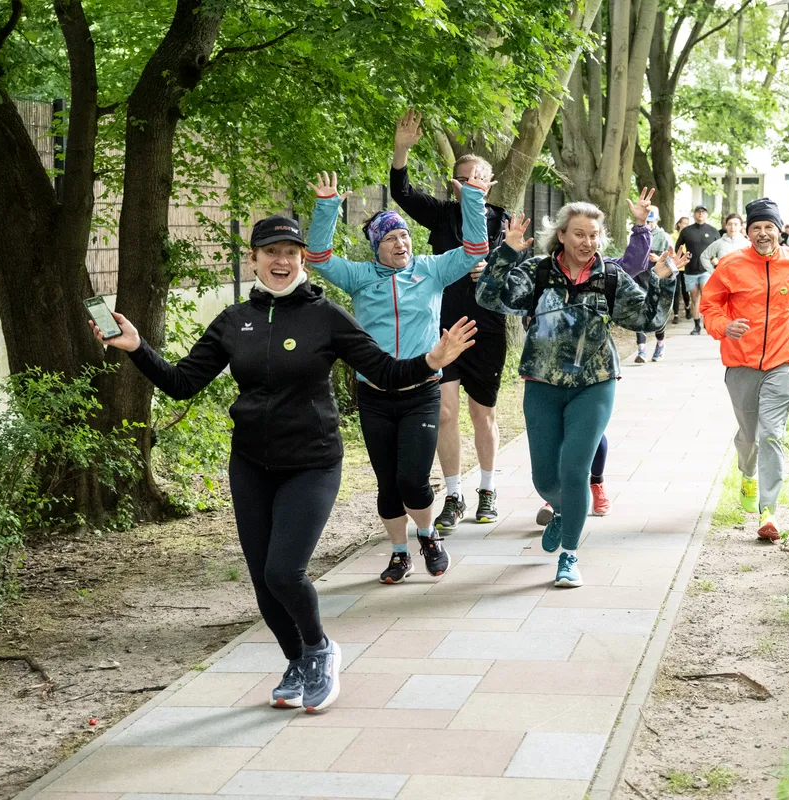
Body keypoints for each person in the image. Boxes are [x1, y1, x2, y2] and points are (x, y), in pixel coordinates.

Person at [89, 215, 477, 713]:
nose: (282, 260)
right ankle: (296, 659)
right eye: (270, 251)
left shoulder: (326, 316)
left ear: (301, 259)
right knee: (262, 580)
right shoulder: (234, 321)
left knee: (284, 571)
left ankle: (319, 648)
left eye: (291, 252)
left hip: (312, 462)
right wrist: (137, 347)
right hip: (250, 463)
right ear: (252, 259)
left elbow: (383, 369)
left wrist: (431, 360)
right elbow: (182, 382)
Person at [477, 198, 677, 587]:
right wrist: (505, 252)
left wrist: (663, 278)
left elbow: (649, 318)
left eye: (595, 235)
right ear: (562, 236)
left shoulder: (611, 278)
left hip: (595, 384)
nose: (588, 242)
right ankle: (564, 512)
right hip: (542, 383)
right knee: (544, 479)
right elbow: (488, 297)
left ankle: (569, 556)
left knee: (574, 470)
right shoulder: (536, 272)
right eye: (580, 234)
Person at [306, 171, 490, 585]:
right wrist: (327, 205)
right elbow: (317, 258)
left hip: (422, 392)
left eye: (404, 236)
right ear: (376, 247)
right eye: (390, 238)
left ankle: (427, 535)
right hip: (374, 395)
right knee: (387, 484)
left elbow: (476, 247)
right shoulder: (359, 277)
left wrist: (474, 198)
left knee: (413, 478)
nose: (400, 243)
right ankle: (399, 552)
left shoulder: (431, 270)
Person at [388, 109, 510, 531]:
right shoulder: (441, 214)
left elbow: (516, 268)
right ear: (455, 184)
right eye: (465, 179)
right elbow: (401, 191)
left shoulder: (501, 219)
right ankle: (454, 495)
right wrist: (402, 149)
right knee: (444, 412)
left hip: (488, 327)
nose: (472, 184)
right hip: (443, 327)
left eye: (480, 178)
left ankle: (488, 489)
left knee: (483, 414)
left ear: (488, 184)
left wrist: (490, 269)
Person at [700, 198, 789, 542]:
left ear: (780, 229)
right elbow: (709, 305)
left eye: (769, 227)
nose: (763, 233)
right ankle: (747, 473)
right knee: (750, 435)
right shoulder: (731, 264)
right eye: (757, 228)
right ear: (748, 232)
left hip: (783, 360)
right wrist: (724, 325)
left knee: (772, 434)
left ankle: (769, 512)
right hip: (741, 363)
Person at [635, 208, 675, 363]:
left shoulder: (664, 237)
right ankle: (641, 350)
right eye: (646, 221)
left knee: (657, 315)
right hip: (639, 279)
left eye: (651, 221)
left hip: (657, 280)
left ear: (657, 220)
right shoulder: (636, 235)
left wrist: (658, 258)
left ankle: (660, 344)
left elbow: (673, 262)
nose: (648, 224)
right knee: (639, 313)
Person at [673, 205, 721, 335]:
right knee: (694, 298)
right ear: (694, 215)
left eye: (703, 212)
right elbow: (678, 246)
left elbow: (719, 248)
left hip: (706, 269)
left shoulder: (713, 231)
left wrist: (716, 259)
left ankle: (707, 323)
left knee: (706, 297)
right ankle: (696, 325)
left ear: (707, 215)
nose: (700, 214)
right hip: (690, 270)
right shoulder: (686, 231)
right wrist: (684, 258)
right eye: (698, 212)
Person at [671, 215, 693, 324]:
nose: (686, 225)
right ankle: (675, 314)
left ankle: (688, 308)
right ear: (679, 224)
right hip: (675, 267)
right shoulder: (672, 236)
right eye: (684, 223)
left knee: (685, 290)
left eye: (688, 223)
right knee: (676, 291)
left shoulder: (690, 236)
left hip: (686, 267)